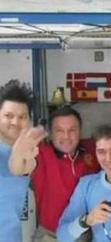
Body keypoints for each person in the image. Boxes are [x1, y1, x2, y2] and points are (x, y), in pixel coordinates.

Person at [9, 106, 101, 242]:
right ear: (51, 134)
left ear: (80, 131)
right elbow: (18, 169)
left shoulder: (92, 148)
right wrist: (18, 154)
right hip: (51, 236)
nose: (66, 136)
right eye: (59, 131)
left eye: (72, 130)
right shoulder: (42, 153)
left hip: (88, 233)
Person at [0, 80, 44, 242]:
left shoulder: (28, 154)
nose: (15, 122)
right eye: (8, 116)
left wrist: (22, 152)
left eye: (22, 117)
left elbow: (19, 168)